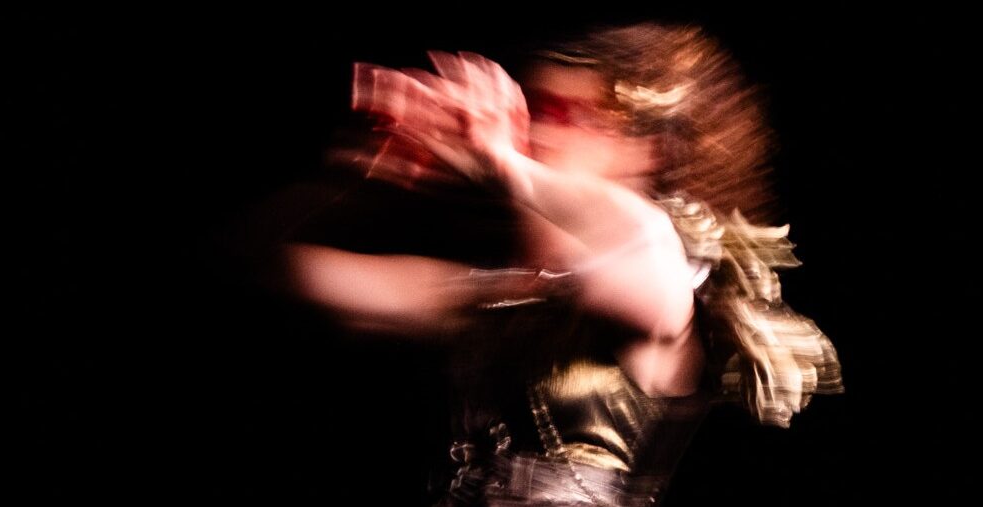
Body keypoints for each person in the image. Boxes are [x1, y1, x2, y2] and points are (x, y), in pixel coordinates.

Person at [272, 22, 842, 506]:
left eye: (571, 114)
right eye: (534, 109)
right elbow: (274, 268)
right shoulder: (493, 298)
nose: (538, 130)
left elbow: (642, 241)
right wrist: (361, 175)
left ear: (648, 151)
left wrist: (503, 166)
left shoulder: (663, 283)